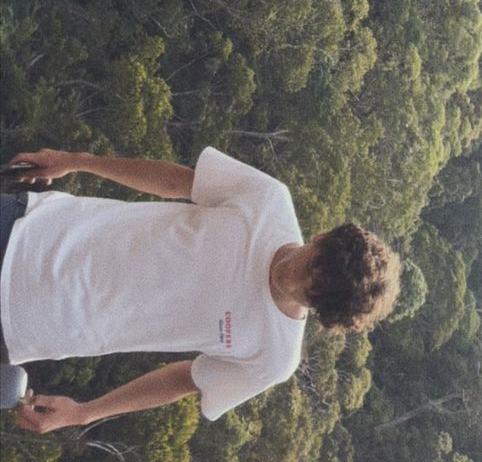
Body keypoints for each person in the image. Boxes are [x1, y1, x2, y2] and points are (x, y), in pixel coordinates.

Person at [0, 146, 400, 435]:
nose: (292, 281)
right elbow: (175, 182)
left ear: (319, 311)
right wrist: (78, 162)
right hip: (28, 231)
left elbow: (182, 381)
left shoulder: (273, 357)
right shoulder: (267, 201)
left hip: (26, 326)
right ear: (322, 236)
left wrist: (84, 412)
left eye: (309, 295)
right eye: (309, 265)